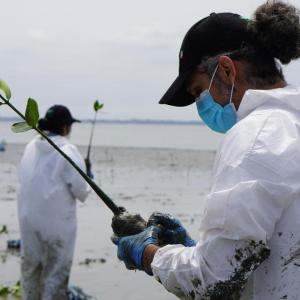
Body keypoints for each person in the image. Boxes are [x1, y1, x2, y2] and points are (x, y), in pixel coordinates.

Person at [112, 1, 300, 299]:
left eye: (199, 91)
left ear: (226, 70)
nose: (201, 104)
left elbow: (214, 279)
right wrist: (192, 249)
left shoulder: (255, 140)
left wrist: (148, 254)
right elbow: (260, 252)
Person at [18, 105, 90, 300]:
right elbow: (82, 192)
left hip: (28, 222)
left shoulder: (31, 145)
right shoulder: (67, 149)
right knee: (55, 275)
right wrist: (88, 174)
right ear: (66, 127)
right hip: (56, 226)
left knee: (30, 272)